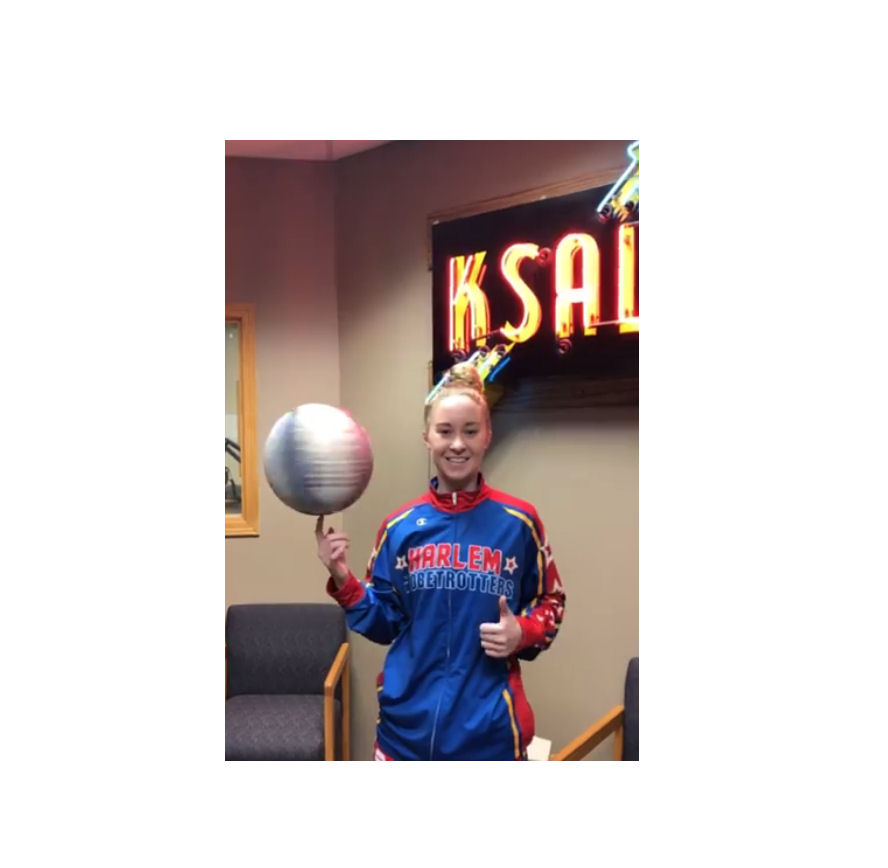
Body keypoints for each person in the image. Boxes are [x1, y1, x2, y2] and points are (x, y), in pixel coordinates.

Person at [315, 363, 566, 760]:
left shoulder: (519, 523)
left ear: (487, 436)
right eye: (445, 431)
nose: (457, 444)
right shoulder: (399, 527)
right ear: (427, 438)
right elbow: (385, 621)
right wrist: (342, 578)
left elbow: (551, 601)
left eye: (470, 431)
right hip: (404, 735)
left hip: (489, 737)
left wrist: (522, 631)